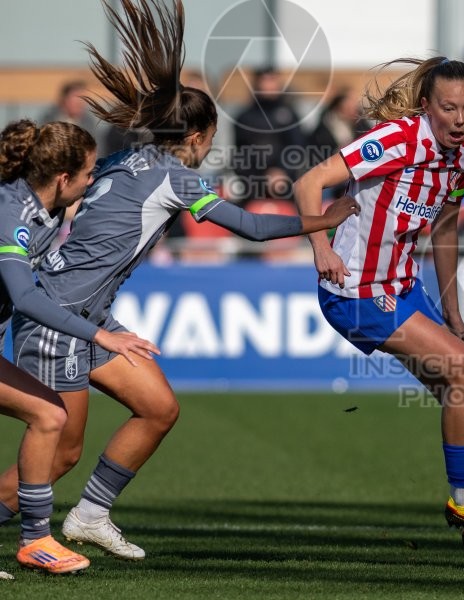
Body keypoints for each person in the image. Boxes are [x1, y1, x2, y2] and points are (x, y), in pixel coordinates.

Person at [0, 0, 359, 560]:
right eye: (210, 137)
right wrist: (323, 219)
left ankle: (90, 515)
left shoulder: (127, 160)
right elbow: (251, 227)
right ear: (194, 136)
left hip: (88, 315)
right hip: (59, 320)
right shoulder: (174, 178)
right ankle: (36, 531)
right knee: (60, 451)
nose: (211, 148)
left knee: (159, 408)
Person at [294, 56, 464, 570]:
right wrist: (320, 245)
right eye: (449, 108)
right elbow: (309, 183)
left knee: (463, 390)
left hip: (403, 289)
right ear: (427, 106)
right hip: (355, 290)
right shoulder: (398, 141)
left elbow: (445, 229)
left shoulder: (463, 156)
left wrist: (451, 306)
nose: (460, 118)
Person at [0, 119, 159, 574]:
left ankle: (36, 540)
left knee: (49, 418)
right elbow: (25, 297)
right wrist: (102, 335)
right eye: (89, 174)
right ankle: (35, 540)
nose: (94, 181)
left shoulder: (44, 204)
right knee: (50, 416)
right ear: (64, 178)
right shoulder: (11, 212)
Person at [233, 67, 307, 202]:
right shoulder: (244, 117)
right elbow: (240, 154)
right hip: (253, 189)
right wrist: (259, 180)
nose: (269, 86)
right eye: (265, 81)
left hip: (285, 186)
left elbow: (297, 148)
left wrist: (282, 172)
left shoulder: (289, 115)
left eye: (272, 80)